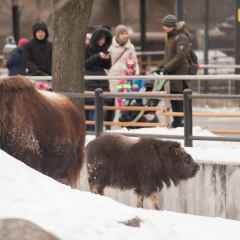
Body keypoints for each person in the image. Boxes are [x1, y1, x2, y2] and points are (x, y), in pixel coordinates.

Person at [157, 15, 193, 128]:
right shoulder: (169, 37)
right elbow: (168, 56)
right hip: (172, 72)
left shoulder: (181, 37)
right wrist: (160, 66)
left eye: (165, 26)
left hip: (179, 72)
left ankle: (179, 121)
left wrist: (167, 67)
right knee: (173, 96)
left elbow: (180, 56)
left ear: (171, 26)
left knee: (179, 97)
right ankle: (177, 120)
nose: (163, 28)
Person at [108, 24, 140, 121]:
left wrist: (136, 73)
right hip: (113, 77)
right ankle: (110, 121)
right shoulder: (110, 47)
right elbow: (106, 62)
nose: (125, 36)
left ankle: (122, 119)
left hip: (125, 78)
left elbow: (135, 61)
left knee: (123, 99)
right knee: (112, 99)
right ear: (117, 35)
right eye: (122, 33)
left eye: (126, 33)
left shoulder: (130, 47)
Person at [85, 26, 113, 131]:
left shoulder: (105, 50)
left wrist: (107, 59)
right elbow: (85, 64)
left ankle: (98, 129)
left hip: (102, 81)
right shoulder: (87, 48)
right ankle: (91, 130)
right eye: (101, 38)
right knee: (90, 106)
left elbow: (108, 66)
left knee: (101, 107)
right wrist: (97, 56)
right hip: (89, 81)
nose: (103, 41)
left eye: (105, 39)